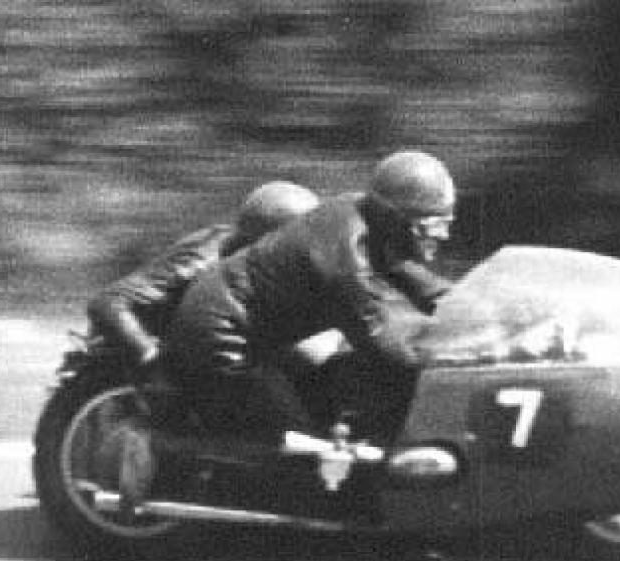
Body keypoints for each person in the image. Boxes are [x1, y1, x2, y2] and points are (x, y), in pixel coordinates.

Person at [165, 150, 456, 460]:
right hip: (220, 332)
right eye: (431, 225)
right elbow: (376, 337)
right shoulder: (344, 260)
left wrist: (467, 305)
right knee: (299, 442)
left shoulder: (366, 218)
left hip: (252, 329)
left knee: (336, 394)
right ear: (394, 218)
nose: (444, 234)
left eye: (446, 221)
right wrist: (438, 374)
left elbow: (413, 277)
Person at [86, 181, 321, 375]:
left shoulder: (263, 267)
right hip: (155, 350)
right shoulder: (201, 260)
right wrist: (151, 357)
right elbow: (109, 302)